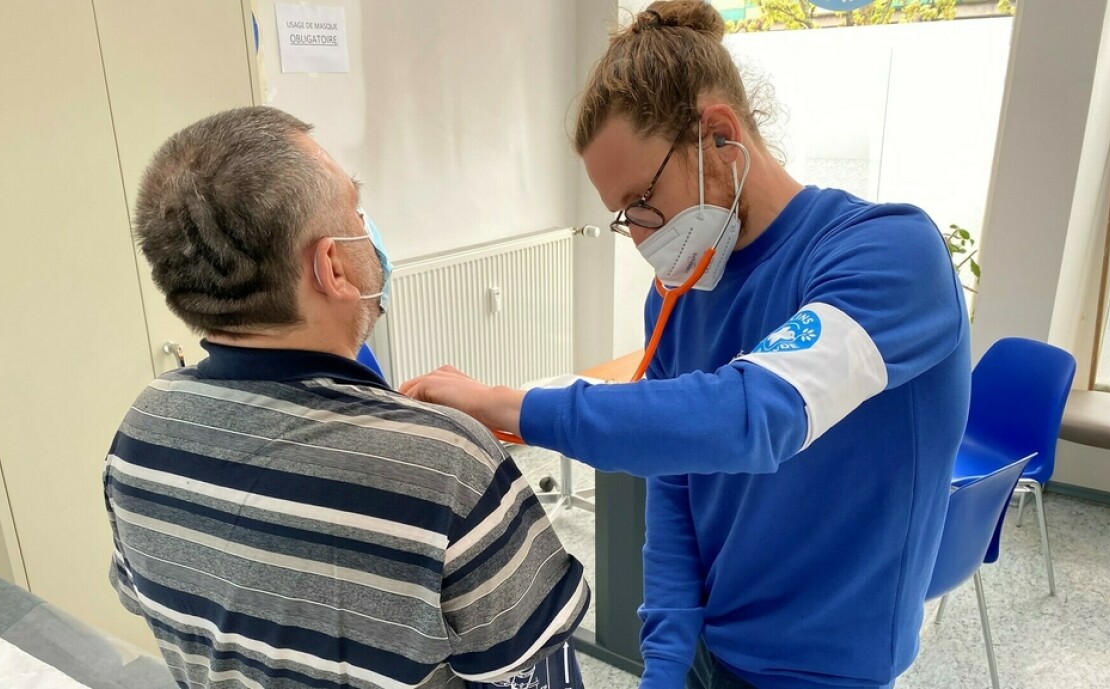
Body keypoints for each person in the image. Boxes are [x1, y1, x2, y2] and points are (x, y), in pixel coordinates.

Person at [401, 3, 971, 689]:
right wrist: (667, 660)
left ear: (721, 137)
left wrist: (513, 404)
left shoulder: (888, 254)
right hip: (709, 647)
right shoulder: (680, 297)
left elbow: (753, 416)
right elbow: (674, 483)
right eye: (623, 216)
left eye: (643, 199)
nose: (640, 236)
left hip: (825, 669)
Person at [103, 106, 589, 689]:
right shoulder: (446, 463)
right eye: (356, 210)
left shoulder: (139, 432)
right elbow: (528, 662)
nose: (369, 227)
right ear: (332, 265)